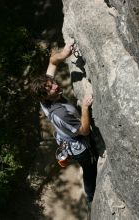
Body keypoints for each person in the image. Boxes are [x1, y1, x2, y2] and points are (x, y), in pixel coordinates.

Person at [30, 42, 99, 204]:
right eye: (51, 87)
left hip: (67, 134)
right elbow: (84, 131)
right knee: (90, 170)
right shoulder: (59, 113)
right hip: (79, 147)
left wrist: (64, 54)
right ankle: (91, 198)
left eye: (52, 83)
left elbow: (53, 62)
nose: (55, 85)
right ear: (45, 96)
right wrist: (84, 107)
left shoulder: (45, 96)